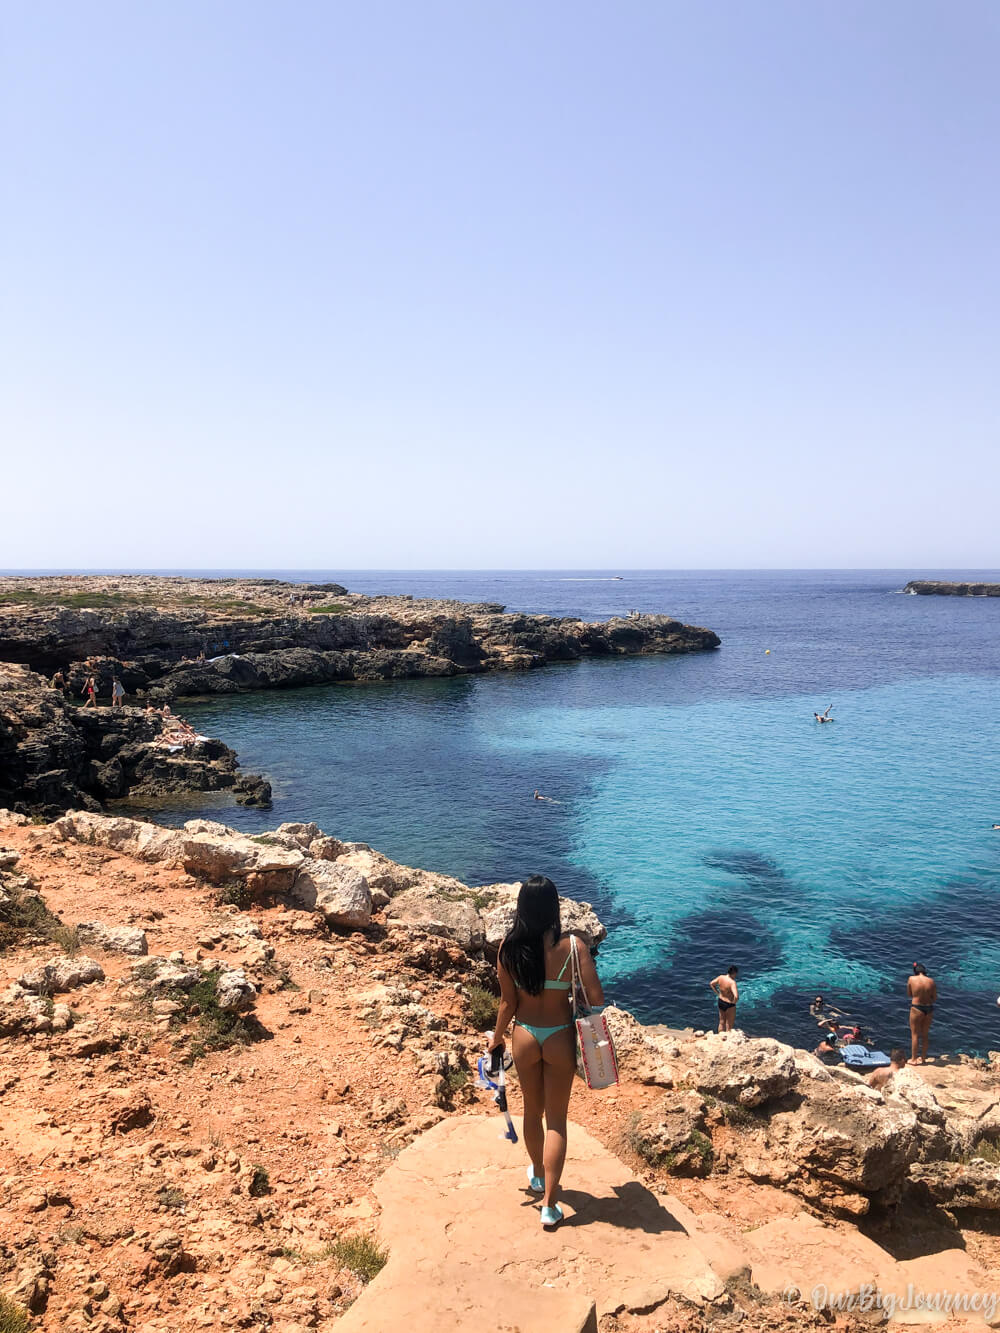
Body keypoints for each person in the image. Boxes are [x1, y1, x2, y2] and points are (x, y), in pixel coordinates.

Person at [489, 875, 604, 1230]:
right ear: (554, 908)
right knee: (556, 1120)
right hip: (559, 1036)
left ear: (521, 907)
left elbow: (508, 1003)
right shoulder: (573, 948)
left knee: (531, 1112)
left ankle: (538, 1175)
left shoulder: (508, 948)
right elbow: (596, 999)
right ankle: (550, 1206)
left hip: (524, 1034)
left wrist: (495, 1039)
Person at [907, 963, 937, 1064]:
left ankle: (914, 1059)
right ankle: (923, 1058)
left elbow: (909, 994)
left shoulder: (911, 979)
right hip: (929, 1008)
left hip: (917, 1008)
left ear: (915, 971)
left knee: (915, 1034)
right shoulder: (931, 981)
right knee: (925, 1034)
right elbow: (935, 998)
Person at [710, 966, 739, 1032]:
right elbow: (736, 996)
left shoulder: (721, 977)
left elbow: (711, 984)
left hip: (720, 1001)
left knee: (721, 1022)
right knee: (729, 1024)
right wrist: (733, 1003)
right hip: (729, 1004)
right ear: (734, 973)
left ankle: (720, 1037)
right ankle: (728, 1039)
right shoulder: (732, 982)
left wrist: (717, 993)